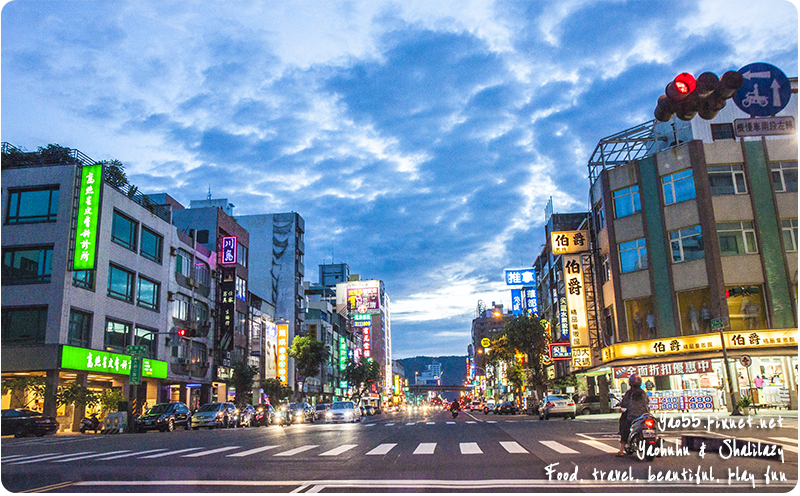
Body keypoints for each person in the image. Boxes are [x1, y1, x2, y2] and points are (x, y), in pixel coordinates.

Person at [617, 374, 650, 457]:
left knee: (625, 428)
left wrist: (622, 404)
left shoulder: (629, 393)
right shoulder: (643, 393)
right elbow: (647, 402)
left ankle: (621, 450)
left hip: (632, 416)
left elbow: (624, 403)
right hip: (645, 415)